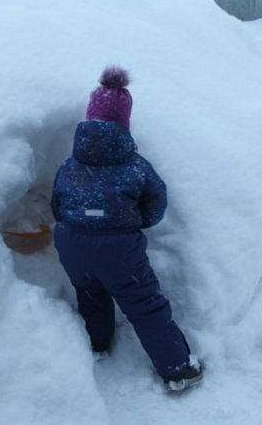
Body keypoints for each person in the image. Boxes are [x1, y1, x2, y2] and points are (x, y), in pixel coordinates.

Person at [50, 65, 202, 392]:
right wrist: (136, 223)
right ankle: (178, 369)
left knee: (91, 294)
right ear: (124, 123)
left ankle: (98, 343)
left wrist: (77, 222)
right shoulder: (135, 166)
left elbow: (57, 204)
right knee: (145, 305)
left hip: (72, 244)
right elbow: (156, 201)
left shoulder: (70, 165)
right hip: (118, 250)